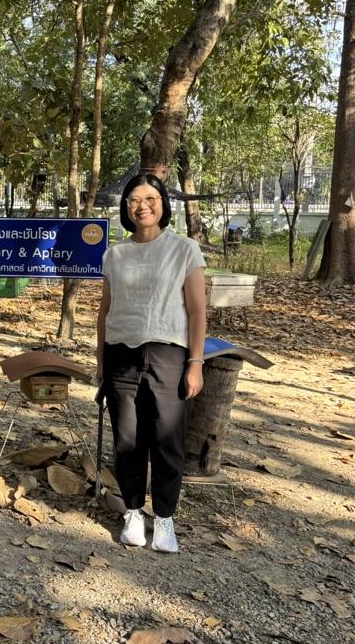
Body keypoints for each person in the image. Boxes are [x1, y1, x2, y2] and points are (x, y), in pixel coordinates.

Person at [95, 173, 206, 553]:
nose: (141, 206)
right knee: (127, 439)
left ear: (162, 204)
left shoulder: (184, 250)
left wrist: (196, 362)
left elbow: (196, 310)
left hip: (168, 354)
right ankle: (132, 512)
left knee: (167, 440)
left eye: (149, 198)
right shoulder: (114, 254)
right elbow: (106, 311)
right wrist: (100, 361)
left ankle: (164, 517)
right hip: (121, 355)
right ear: (126, 209)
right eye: (133, 201)